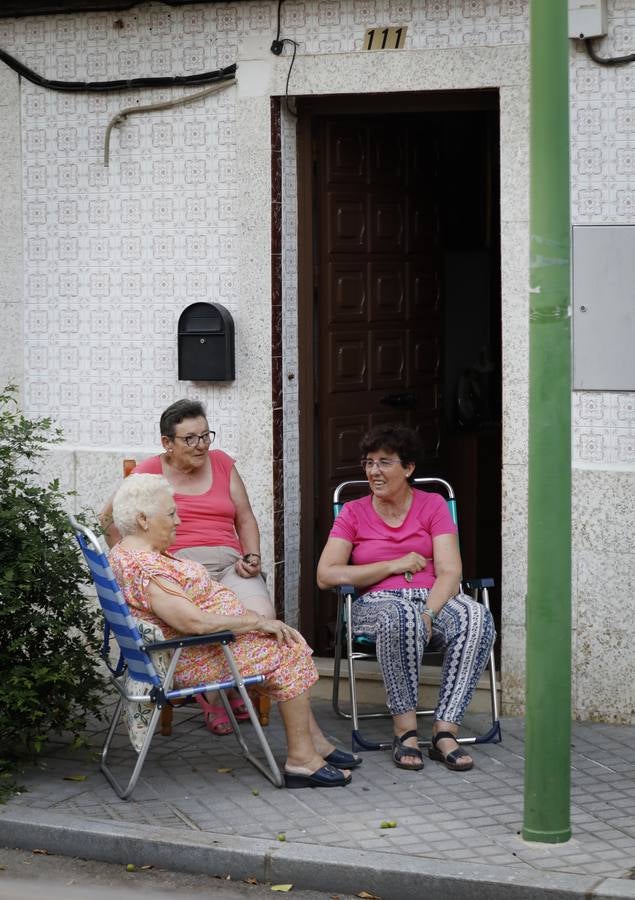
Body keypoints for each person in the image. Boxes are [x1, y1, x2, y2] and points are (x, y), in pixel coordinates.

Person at [109, 473, 360, 789]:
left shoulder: (125, 552)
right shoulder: (147, 570)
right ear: (143, 520)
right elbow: (194, 623)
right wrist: (256, 622)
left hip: (194, 647)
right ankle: (302, 760)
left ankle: (314, 744)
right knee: (289, 650)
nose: (179, 520)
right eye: (171, 513)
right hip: (190, 655)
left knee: (279, 645)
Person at [316, 424, 495, 773]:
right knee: (401, 615)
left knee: (476, 616)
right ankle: (406, 731)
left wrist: (428, 613)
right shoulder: (353, 513)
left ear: (409, 468)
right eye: (369, 462)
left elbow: (450, 572)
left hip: (432, 599)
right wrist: (391, 565)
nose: (374, 471)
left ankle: (445, 731)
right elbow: (326, 574)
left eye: (384, 462)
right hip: (376, 605)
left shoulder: (433, 505)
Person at [99, 398, 274, 734]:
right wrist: (134, 560)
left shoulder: (222, 463)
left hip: (230, 565)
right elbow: (108, 518)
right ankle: (214, 695)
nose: (201, 445)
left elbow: (245, 517)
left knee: (261, 616)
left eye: (205, 435)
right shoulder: (149, 471)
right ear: (167, 442)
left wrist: (252, 556)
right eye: (190, 438)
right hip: (181, 571)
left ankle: (233, 684)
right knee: (204, 622)